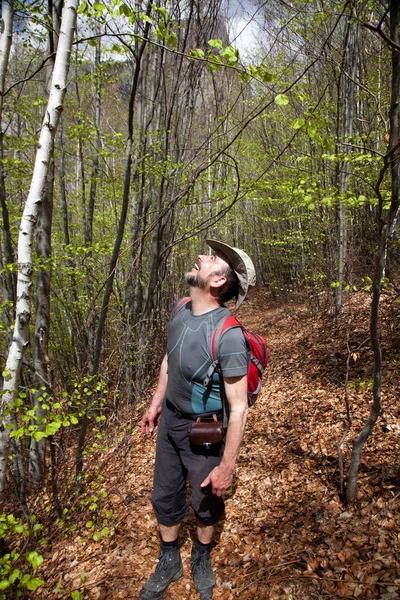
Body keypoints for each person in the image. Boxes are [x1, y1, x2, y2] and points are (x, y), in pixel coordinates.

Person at [140, 239, 256, 600]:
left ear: (219, 281)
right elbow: (169, 360)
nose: (202, 257)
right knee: (164, 495)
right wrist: (155, 403)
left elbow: (238, 409)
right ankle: (170, 559)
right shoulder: (180, 308)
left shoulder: (229, 335)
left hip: (203, 430)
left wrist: (227, 467)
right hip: (170, 424)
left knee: (204, 501)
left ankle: (202, 557)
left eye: (212, 259)